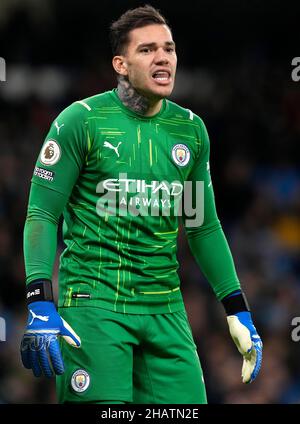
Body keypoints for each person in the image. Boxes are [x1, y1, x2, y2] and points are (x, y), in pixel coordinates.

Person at [20, 5, 262, 404]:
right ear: (121, 64)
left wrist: (237, 307)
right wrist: (40, 299)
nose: (163, 57)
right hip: (96, 305)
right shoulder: (80, 121)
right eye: (148, 49)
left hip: (166, 309)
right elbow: (42, 214)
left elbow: (202, 225)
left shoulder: (190, 130)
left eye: (168, 48)